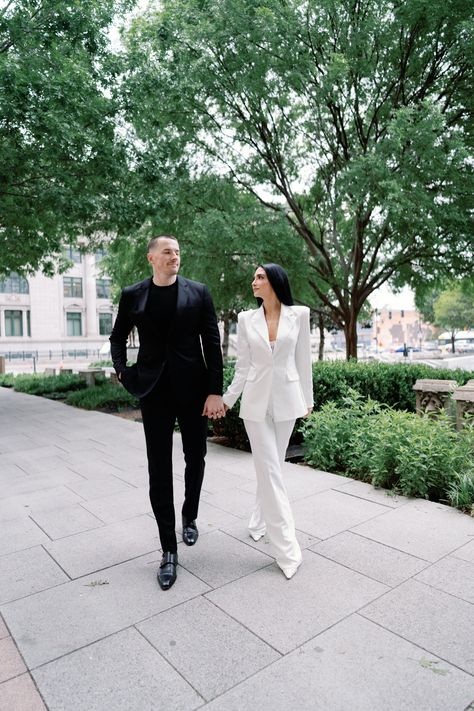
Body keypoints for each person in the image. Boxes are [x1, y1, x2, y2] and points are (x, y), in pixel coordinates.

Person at [110, 235, 225, 590]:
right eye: (167, 252)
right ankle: (168, 550)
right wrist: (124, 372)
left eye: (177, 252)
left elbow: (212, 341)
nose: (174, 256)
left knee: (197, 457)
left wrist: (214, 390)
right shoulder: (133, 295)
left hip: (193, 391)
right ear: (152, 258)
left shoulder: (199, 292)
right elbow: (117, 338)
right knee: (159, 468)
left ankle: (189, 515)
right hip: (153, 392)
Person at [222, 264, 313, 579]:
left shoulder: (299, 315)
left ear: (275, 281)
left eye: (260, 277)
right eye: (254, 277)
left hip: (288, 401)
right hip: (255, 404)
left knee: (272, 466)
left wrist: (308, 399)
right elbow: (243, 366)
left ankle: (258, 522)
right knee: (271, 470)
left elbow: (303, 360)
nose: (254, 281)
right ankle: (287, 549)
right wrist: (227, 399)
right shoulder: (246, 320)